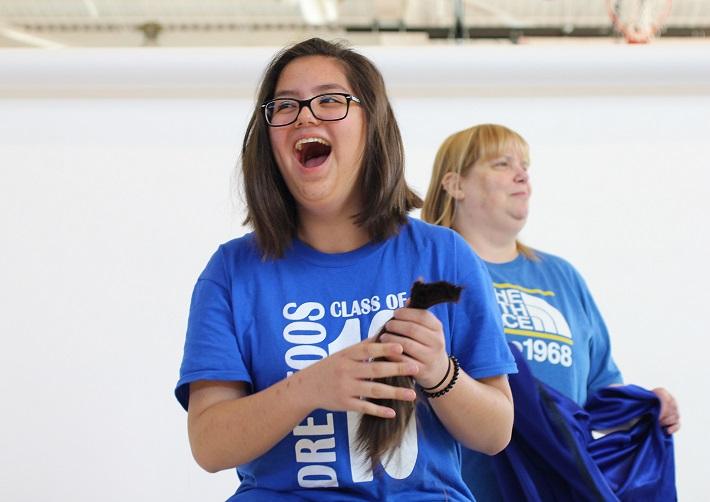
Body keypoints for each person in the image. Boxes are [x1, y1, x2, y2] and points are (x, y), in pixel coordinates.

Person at [175, 40, 517, 501]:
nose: (304, 115)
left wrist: (439, 372)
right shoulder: (232, 272)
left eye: (331, 100)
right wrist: (309, 388)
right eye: (285, 105)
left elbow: (496, 432)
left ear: (372, 125)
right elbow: (210, 444)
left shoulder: (445, 255)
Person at [421, 123, 681, 500]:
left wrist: (645, 406)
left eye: (525, 165)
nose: (521, 174)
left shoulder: (561, 276)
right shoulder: (436, 274)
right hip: (466, 489)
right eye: (501, 163)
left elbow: (598, 391)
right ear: (455, 184)